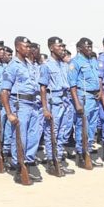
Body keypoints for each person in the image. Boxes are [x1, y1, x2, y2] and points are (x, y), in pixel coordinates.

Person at [1, 36, 44, 182]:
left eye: (29, 46)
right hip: (20, 105)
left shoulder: (29, 64)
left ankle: (28, 164)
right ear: (17, 47)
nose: (28, 49)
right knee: (20, 138)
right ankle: (19, 168)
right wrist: (9, 113)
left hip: (33, 104)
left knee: (33, 137)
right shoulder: (13, 66)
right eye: (25, 46)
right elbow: (4, 91)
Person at [40, 37, 76, 175]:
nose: (62, 48)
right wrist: (45, 108)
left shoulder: (65, 65)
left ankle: (59, 160)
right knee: (52, 133)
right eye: (59, 46)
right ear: (51, 48)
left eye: (63, 46)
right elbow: (42, 88)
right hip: (53, 101)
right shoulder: (46, 66)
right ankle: (52, 162)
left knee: (63, 132)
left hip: (65, 100)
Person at [69, 38, 103, 168]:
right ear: (79, 48)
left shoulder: (93, 60)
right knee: (82, 126)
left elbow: (98, 78)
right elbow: (72, 86)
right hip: (84, 97)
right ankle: (81, 154)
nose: (89, 49)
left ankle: (88, 151)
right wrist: (77, 103)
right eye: (87, 47)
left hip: (94, 97)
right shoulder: (75, 62)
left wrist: (100, 91)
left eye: (90, 46)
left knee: (92, 127)